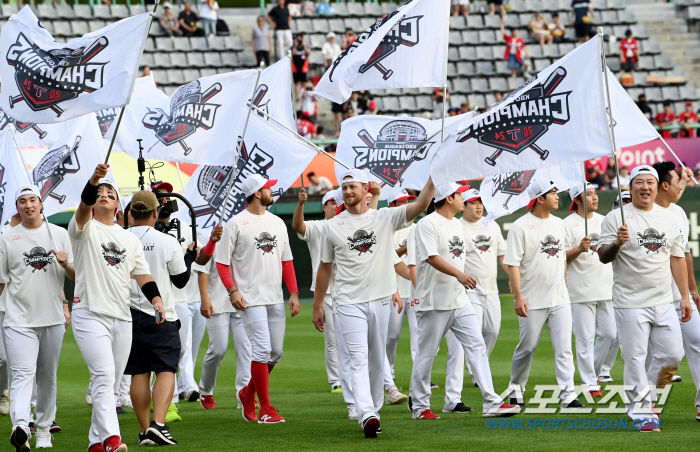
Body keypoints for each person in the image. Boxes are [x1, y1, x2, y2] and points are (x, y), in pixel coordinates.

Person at [312, 169, 435, 437]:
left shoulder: (384, 217)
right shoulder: (332, 225)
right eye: (344, 188)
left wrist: (436, 176)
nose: (346, 192)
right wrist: (318, 305)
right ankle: (366, 413)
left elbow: (422, 204)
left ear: (366, 190)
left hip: (381, 300)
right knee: (357, 359)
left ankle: (374, 409)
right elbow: (324, 268)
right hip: (347, 302)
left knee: (377, 359)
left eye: (352, 187)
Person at [70, 164, 165, 452]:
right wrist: (94, 179)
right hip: (89, 314)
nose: (104, 194)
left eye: (110, 192)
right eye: (99, 192)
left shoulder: (129, 238)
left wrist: (156, 298)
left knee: (111, 385)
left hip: (122, 318)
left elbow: (143, 274)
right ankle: (112, 438)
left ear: (118, 206)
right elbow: (83, 207)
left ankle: (94, 442)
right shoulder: (83, 227)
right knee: (103, 375)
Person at [409, 182, 520, 420]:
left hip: (460, 300)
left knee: (477, 346)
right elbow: (431, 257)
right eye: (460, 195)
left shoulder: (456, 225)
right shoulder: (426, 224)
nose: (464, 198)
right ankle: (419, 406)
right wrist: (459, 274)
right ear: (448, 199)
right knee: (427, 353)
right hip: (434, 301)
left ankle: (491, 401)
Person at [598, 165, 690, 430]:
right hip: (630, 302)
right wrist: (617, 243)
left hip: (663, 300)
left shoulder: (669, 217)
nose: (645, 187)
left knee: (673, 355)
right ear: (630, 187)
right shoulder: (616, 218)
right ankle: (641, 413)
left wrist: (684, 296)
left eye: (650, 182)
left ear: (656, 185)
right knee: (635, 358)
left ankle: (647, 394)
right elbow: (604, 256)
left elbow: (677, 258)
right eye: (639, 182)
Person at [215, 174, 301, 424]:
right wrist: (232, 290)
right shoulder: (236, 223)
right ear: (256, 193)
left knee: (275, 353)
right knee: (262, 351)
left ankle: (247, 393)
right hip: (249, 299)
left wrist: (294, 292)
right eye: (268, 188)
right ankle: (265, 408)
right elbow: (221, 263)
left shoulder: (277, 222)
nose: (272, 191)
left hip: (274, 297)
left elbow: (287, 261)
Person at [1, 187, 73, 450]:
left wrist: (65, 264)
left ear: (41, 204)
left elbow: (76, 275)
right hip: (18, 320)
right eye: (22, 202)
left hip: (52, 319)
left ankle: (44, 431)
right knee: (21, 375)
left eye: (32, 200)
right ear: (17, 208)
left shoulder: (60, 234)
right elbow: (0, 281)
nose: (28, 205)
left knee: (47, 376)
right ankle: (21, 425)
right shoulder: (8, 238)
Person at [125, 190, 196, 446]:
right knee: (166, 368)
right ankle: (159, 424)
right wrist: (189, 256)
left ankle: (145, 430)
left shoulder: (120, 238)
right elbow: (180, 280)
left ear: (131, 213)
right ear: (156, 213)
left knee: (138, 373)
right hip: (160, 313)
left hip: (128, 315)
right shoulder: (167, 242)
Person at [504, 179, 584, 408]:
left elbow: (561, 257)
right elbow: (512, 264)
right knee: (527, 347)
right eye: (553, 192)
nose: (557, 196)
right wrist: (518, 297)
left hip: (559, 297)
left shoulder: (560, 224)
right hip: (531, 299)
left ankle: (568, 394)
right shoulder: (520, 226)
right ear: (539, 198)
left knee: (564, 348)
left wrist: (564, 280)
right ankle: (516, 387)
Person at [563, 182, 616, 399]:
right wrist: (578, 249)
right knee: (584, 339)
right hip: (580, 290)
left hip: (607, 288)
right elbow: (560, 256)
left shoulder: (605, 221)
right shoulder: (567, 224)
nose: (595, 197)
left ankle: (592, 373)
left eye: (595, 193)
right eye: (590, 194)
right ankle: (589, 383)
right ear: (577, 199)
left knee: (610, 334)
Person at [293, 190, 343, 393]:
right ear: (324, 207)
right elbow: (297, 225)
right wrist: (301, 204)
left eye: (338, 202)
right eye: (331, 202)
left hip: (349, 289)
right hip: (326, 292)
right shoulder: (317, 226)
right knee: (332, 338)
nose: (336, 205)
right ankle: (336, 381)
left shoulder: (348, 225)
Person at [195, 238, 252, 410]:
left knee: (246, 349)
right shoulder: (214, 244)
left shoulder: (246, 244)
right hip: (217, 303)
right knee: (218, 349)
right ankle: (205, 390)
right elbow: (202, 272)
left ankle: (244, 394)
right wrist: (205, 299)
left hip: (242, 303)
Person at [459, 189, 508, 387]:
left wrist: (513, 279)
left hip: (491, 289)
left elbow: (503, 255)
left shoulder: (492, 225)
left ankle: (478, 364)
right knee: (475, 333)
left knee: (492, 331)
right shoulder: (457, 227)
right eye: (473, 202)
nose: (479, 206)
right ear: (463, 206)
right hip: (469, 290)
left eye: (481, 201)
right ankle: (477, 373)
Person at [385, 190, 416, 383]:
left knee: (419, 337)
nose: (406, 204)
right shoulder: (387, 227)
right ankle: (388, 373)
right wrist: (407, 246)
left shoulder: (420, 226)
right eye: (401, 201)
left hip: (415, 290)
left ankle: (421, 375)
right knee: (391, 336)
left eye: (408, 201)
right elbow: (387, 255)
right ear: (392, 206)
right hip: (393, 290)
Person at [291, 34, 311, 100]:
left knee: (304, 82)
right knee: (297, 83)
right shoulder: (293, 47)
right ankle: (298, 97)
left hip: (304, 68)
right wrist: (295, 46)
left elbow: (308, 53)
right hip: (295, 67)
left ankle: (304, 95)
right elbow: (292, 54)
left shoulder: (305, 47)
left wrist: (304, 46)